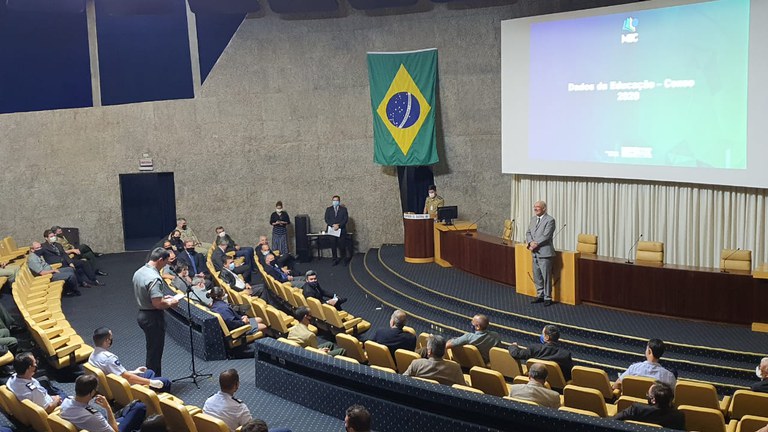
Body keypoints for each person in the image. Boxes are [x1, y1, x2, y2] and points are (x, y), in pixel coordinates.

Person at [132, 248, 179, 376]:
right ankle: (154, 382)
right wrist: (171, 302)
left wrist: (163, 298)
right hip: (153, 317)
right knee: (155, 353)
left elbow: (150, 296)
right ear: (160, 260)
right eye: (165, 262)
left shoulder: (139, 272)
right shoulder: (154, 278)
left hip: (142, 313)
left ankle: (152, 379)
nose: (166, 265)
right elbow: (157, 304)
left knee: (152, 349)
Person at [203, 369, 292, 432]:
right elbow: (251, 429)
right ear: (236, 385)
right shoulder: (239, 407)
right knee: (286, 430)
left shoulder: (208, 401)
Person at [89, 327, 171, 393]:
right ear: (107, 341)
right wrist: (150, 382)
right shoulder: (109, 358)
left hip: (110, 384)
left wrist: (135, 371)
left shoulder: (92, 355)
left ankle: (153, 392)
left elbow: (115, 372)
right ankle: (155, 399)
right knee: (165, 382)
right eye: (110, 338)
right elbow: (128, 377)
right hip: (121, 389)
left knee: (149, 372)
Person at [61, 374, 147, 432]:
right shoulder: (94, 416)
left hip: (94, 425)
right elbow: (114, 430)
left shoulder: (65, 402)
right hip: (104, 427)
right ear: (91, 393)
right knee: (140, 407)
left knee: (130, 411)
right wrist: (108, 408)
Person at [508, 324, 574, 381]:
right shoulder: (565, 355)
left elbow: (516, 354)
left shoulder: (535, 349)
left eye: (543, 334)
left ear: (547, 337)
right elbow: (569, 375)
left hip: (536, 381)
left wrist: (513, 346)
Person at [614, 381, 685, 430]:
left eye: (648, 394)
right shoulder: (678, 416)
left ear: (653, 400)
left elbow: (614, 421)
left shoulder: (636, 409)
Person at [526, 200, 556, 306]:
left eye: (538, 207)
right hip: (534, 252)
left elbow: (546, 235)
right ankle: (540, 295)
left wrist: (535, 244)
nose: (535, 208)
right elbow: (528, 232)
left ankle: (548, 297)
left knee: (546, 276)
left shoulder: (550, 220)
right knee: (537, 275)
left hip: (545, 253)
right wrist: (530, 242)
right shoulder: (533, 219)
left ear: (544, 208)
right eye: (535, 206)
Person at [324, 195, 351, 266]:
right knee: (333, 245)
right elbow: (326, 219)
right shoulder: (328, 209)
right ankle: (334, 260)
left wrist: (338, 225)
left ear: (339, 201)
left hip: (341, 230)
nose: (335, 202)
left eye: (336, 200)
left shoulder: (343, 209)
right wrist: (333, 225)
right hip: (332, 230)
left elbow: (345, 219)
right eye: (334, 200)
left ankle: (344, 259)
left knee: (342, 245)